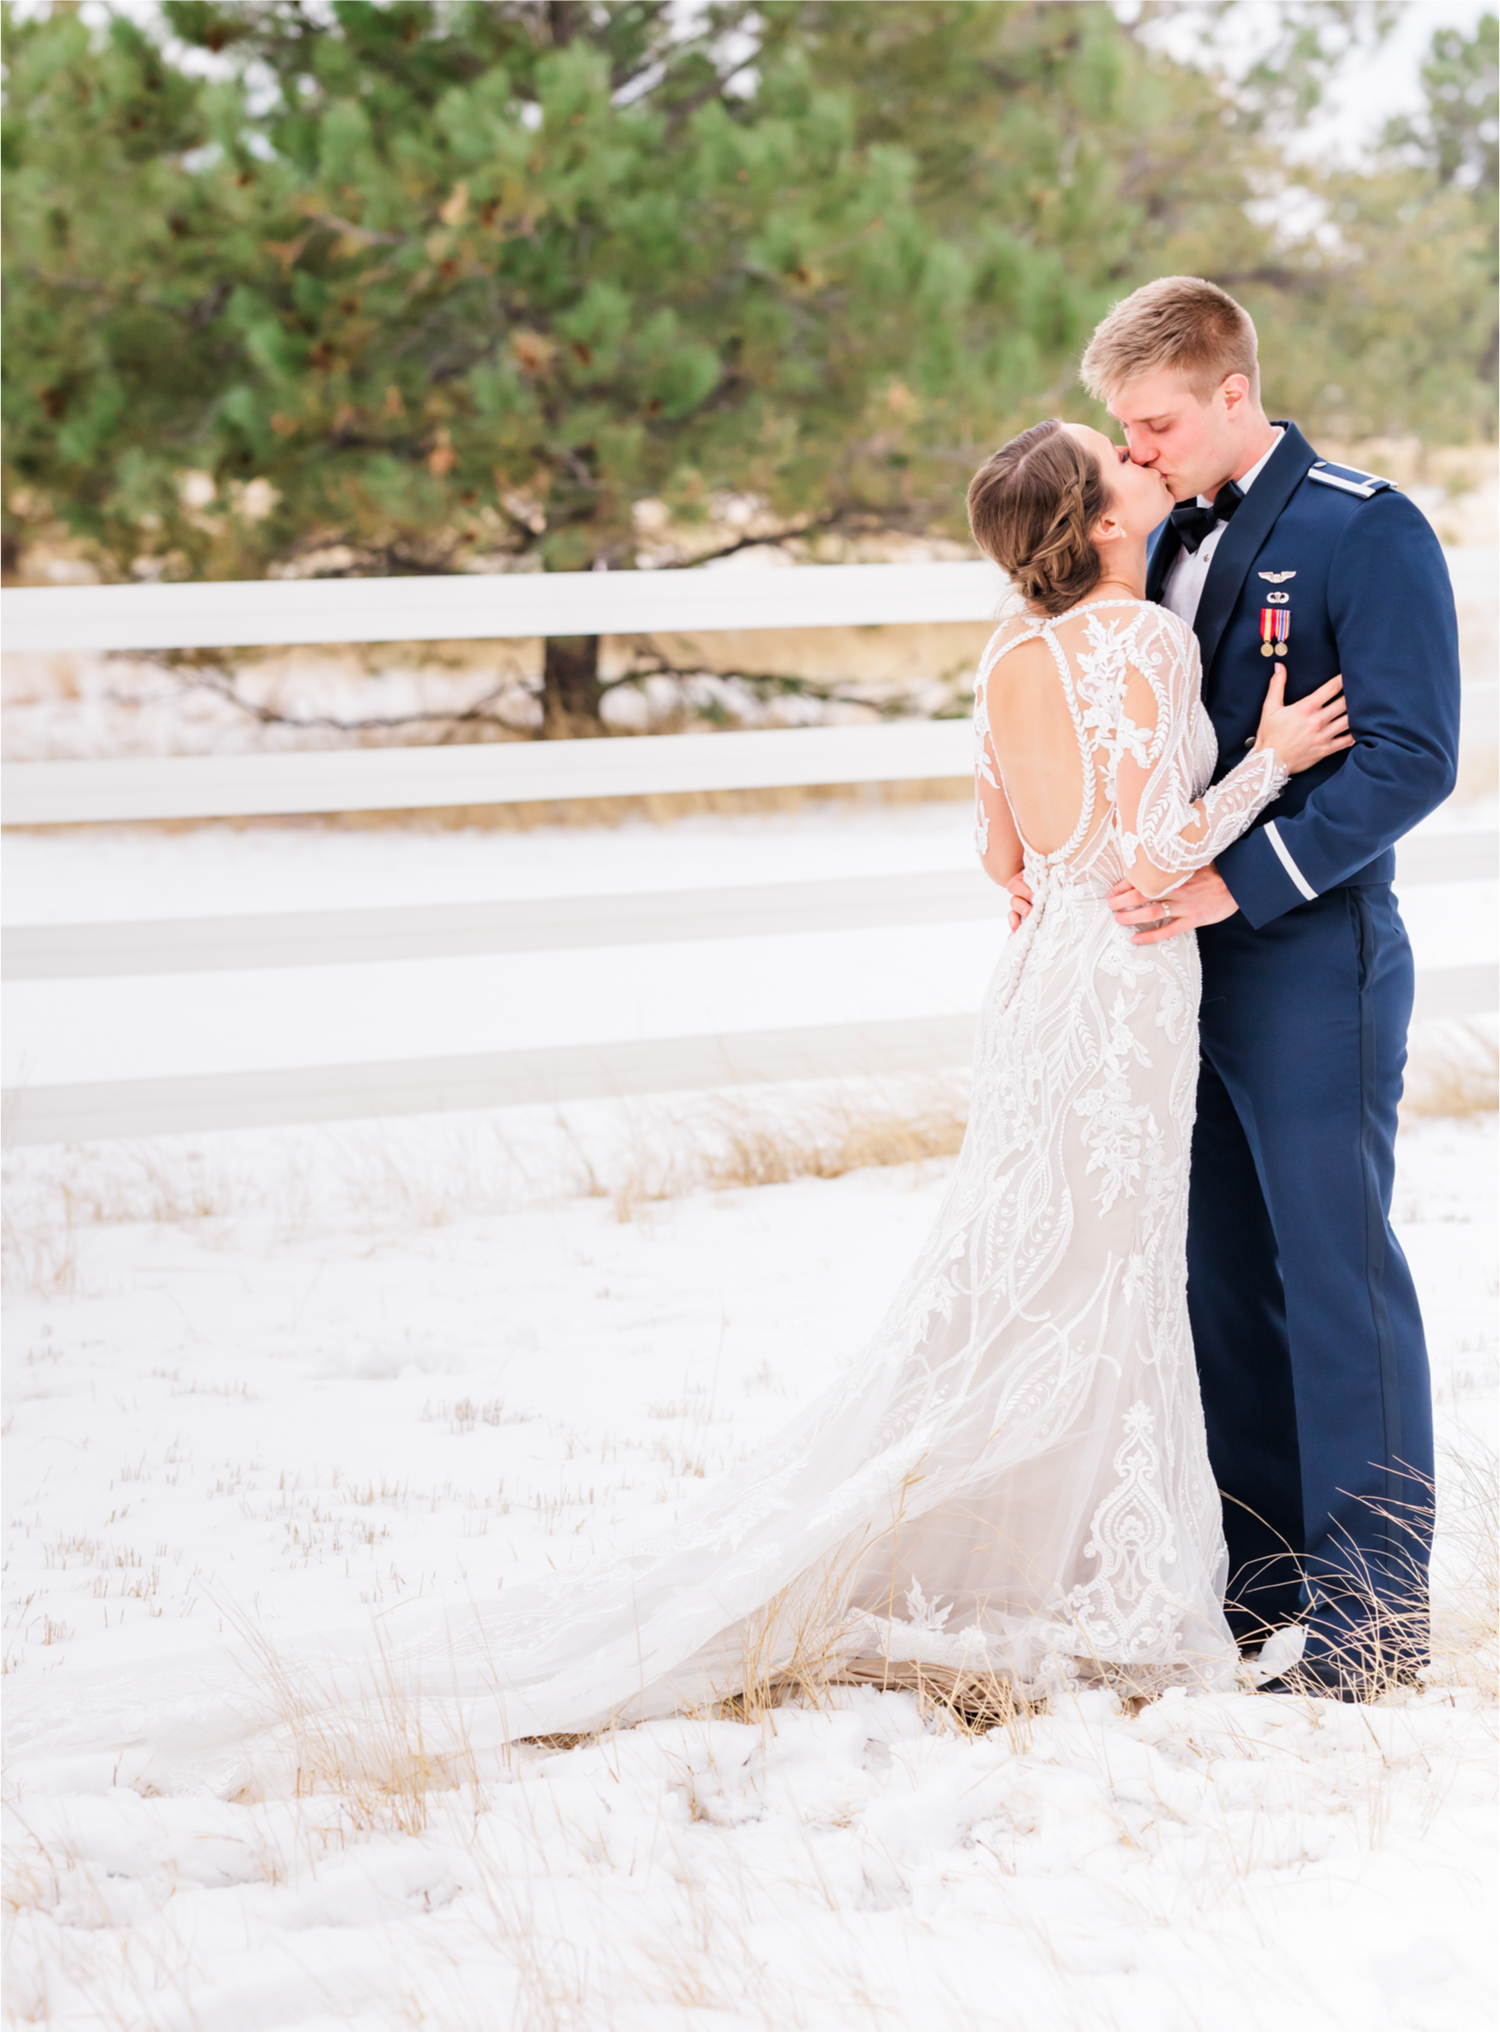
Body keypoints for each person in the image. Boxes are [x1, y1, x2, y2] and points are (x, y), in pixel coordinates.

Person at [1, 405, 1353, 1783]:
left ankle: (1029, 1544)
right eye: (1117, 458)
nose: (1140, 461)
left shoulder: (1008, 652)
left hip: (1037, 991)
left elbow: (1002, 854)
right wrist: (1274, 763)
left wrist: (1065, 867)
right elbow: (1152, 849)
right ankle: (1102, 1583)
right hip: (1122, 988)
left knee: (1020, 1271)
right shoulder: (1141, 641)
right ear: (1107, 522)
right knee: (1106, 1270)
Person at [1004, 277, 1461, 1698]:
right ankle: (1259, 1586)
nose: (1133, 455)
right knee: (1217, 1277)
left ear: (1229, 392)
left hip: (1311, 958)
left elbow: (1411, 757)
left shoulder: (1360, 526)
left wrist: (1239, 882)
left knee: (1334, 1274)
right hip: (1167, 978)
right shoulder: (1149, 545)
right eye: (1122, 434)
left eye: (1153, 426)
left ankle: (1373, 1617)